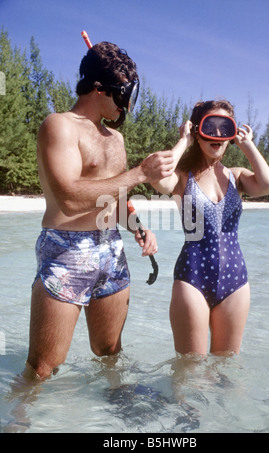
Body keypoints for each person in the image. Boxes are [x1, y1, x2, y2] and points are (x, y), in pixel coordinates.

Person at [26, 41, 174, 379]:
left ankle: (115, 421)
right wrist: (140, 173)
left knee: (109, 353)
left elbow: (116, 196)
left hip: (111, 248)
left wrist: (138, 227)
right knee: (43, 368)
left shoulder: (115, 139)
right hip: (67, 249)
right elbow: (70, 197)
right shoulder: (59, 125)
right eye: (123, 94)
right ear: (97, 88)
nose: (127, 105)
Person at [152, 99, 269, 356]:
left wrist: (248, 145)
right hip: (192, 279)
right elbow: (159, 179)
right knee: (189, 372)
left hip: (236, 283)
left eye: (225, 127)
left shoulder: (237, 176)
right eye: (211, 126)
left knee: (226, 370)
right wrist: (183, 141)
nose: (217, 134)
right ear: (198, 132)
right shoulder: (182, 176)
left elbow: (268, 186)